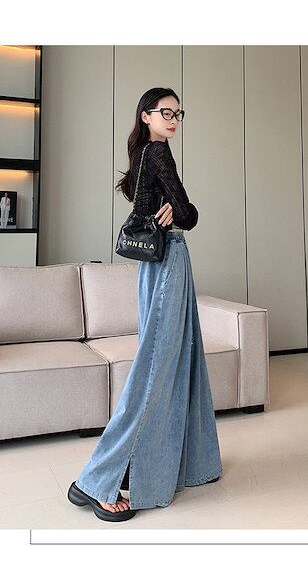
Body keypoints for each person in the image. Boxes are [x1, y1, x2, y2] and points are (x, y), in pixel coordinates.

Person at [68, 87, 223, 522]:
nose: (173, 120)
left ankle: (190, 464)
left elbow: (170, 208)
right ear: (147, 116)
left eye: (178, 113)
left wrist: (178, 209)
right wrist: (183, 210)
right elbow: (188, 213)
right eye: (165, 112)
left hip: (156, 264)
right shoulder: (156, 153)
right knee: (157, 367)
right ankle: (96, 480)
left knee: (182, 358)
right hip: (168, 257)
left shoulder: (143, 155)